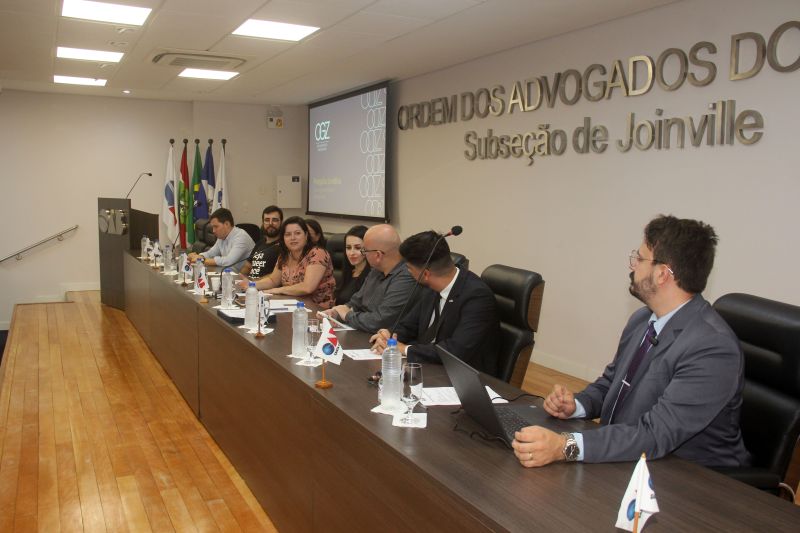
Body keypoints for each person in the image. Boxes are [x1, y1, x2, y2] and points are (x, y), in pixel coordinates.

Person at [512, 215, 750, 468]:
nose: (632, 266)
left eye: (639, 258)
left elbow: (657, 434)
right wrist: (577, 405)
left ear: (662, 274)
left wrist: (565, 446)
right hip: (632, 454)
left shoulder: (713, 348)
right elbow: (611, 383)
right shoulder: (642, 319)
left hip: (691, 478)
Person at [370, 230, 500, 374]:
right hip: (429, 367)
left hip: (462, 377)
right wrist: (390, 336)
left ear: (425, 274)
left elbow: (454, 352)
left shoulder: (477, 297)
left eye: (409, 268)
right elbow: (409, 325)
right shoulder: (431, 286)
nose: (408, 272)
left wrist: (403, 349)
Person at [321, 224, 417, 333]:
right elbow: (355, 302)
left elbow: (379, 321)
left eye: (364, 251)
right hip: (362, 332)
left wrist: (347, 315)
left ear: (378, 255)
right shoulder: (376, 269)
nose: (364, 255)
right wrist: (336, 313)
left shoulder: (406, 277)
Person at [245, 216, 335, 309]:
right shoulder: (285, 255)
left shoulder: (317, 253)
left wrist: (279, 290)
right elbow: (273, 280)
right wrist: (251, 285)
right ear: (283, 238)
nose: (292, 238)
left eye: (297, 233)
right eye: (287, 234)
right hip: (290, 306)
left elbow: (307, 287)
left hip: (318, 310)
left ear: (306, 235)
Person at [187, 208, 254, 271]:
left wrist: (202, 260)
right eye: (213, 227)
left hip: (245, 276)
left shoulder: (241, 237)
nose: (213, 231)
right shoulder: (222, 237)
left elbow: (229, 261)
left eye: (216, 227)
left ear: (227, 224)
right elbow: (211, 253)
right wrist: (199, 256)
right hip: (229, 273)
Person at [239, 205, 283, 279]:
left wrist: (253, 282)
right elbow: (247, 266)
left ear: (281, 222)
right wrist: (240, 278)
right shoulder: (260, 243)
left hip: (264, 285)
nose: (270, 223)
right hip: (249, 283)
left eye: (275, 220)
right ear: (263, 222)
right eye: (267, 220)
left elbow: (277, 276)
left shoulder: (283, 245)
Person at [334, 225, 371, 305]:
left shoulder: (372, 276)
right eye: (348, 247)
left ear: (367, 249)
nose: (351, 253)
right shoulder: (348, 272)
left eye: (357, 248)